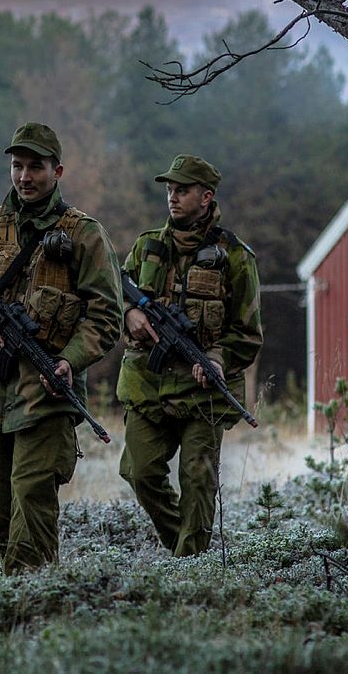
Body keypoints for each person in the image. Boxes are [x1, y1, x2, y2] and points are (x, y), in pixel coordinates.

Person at [0, 122, 122, 574]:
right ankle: (26, 602)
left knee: (32, 498)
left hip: (48, 392)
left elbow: (106, 318)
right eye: (17, 166)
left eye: (36, 167)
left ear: (58, 171)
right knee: (1, 509)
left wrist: (69, 360)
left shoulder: (84, 235)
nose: (25, 176)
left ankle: (29, 607)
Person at [117, 154, 262, 557]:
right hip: (149, 385)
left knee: (198, 479)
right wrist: (128, 313)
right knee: (139, 471)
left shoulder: (235, 257)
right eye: (169, 190)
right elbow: (109, 299)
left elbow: (248, 334)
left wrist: (217, 358)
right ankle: (184, 546)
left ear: (206, 196)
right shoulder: (146, 247)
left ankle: (190, 563)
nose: (173, 198)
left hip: (204, 393)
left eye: (182, 190)